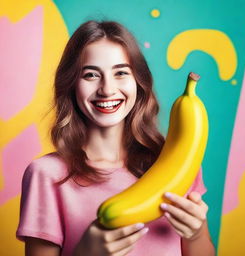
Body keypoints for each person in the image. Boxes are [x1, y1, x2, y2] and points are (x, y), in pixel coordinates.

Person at [16, 20, 215, 256]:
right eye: (91, 75)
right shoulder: (47, 174)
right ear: (71, 85)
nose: (107, 89)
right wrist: (85, 252)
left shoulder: (178, 165)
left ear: (138, 82)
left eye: (121, 72)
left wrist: (197, 233)